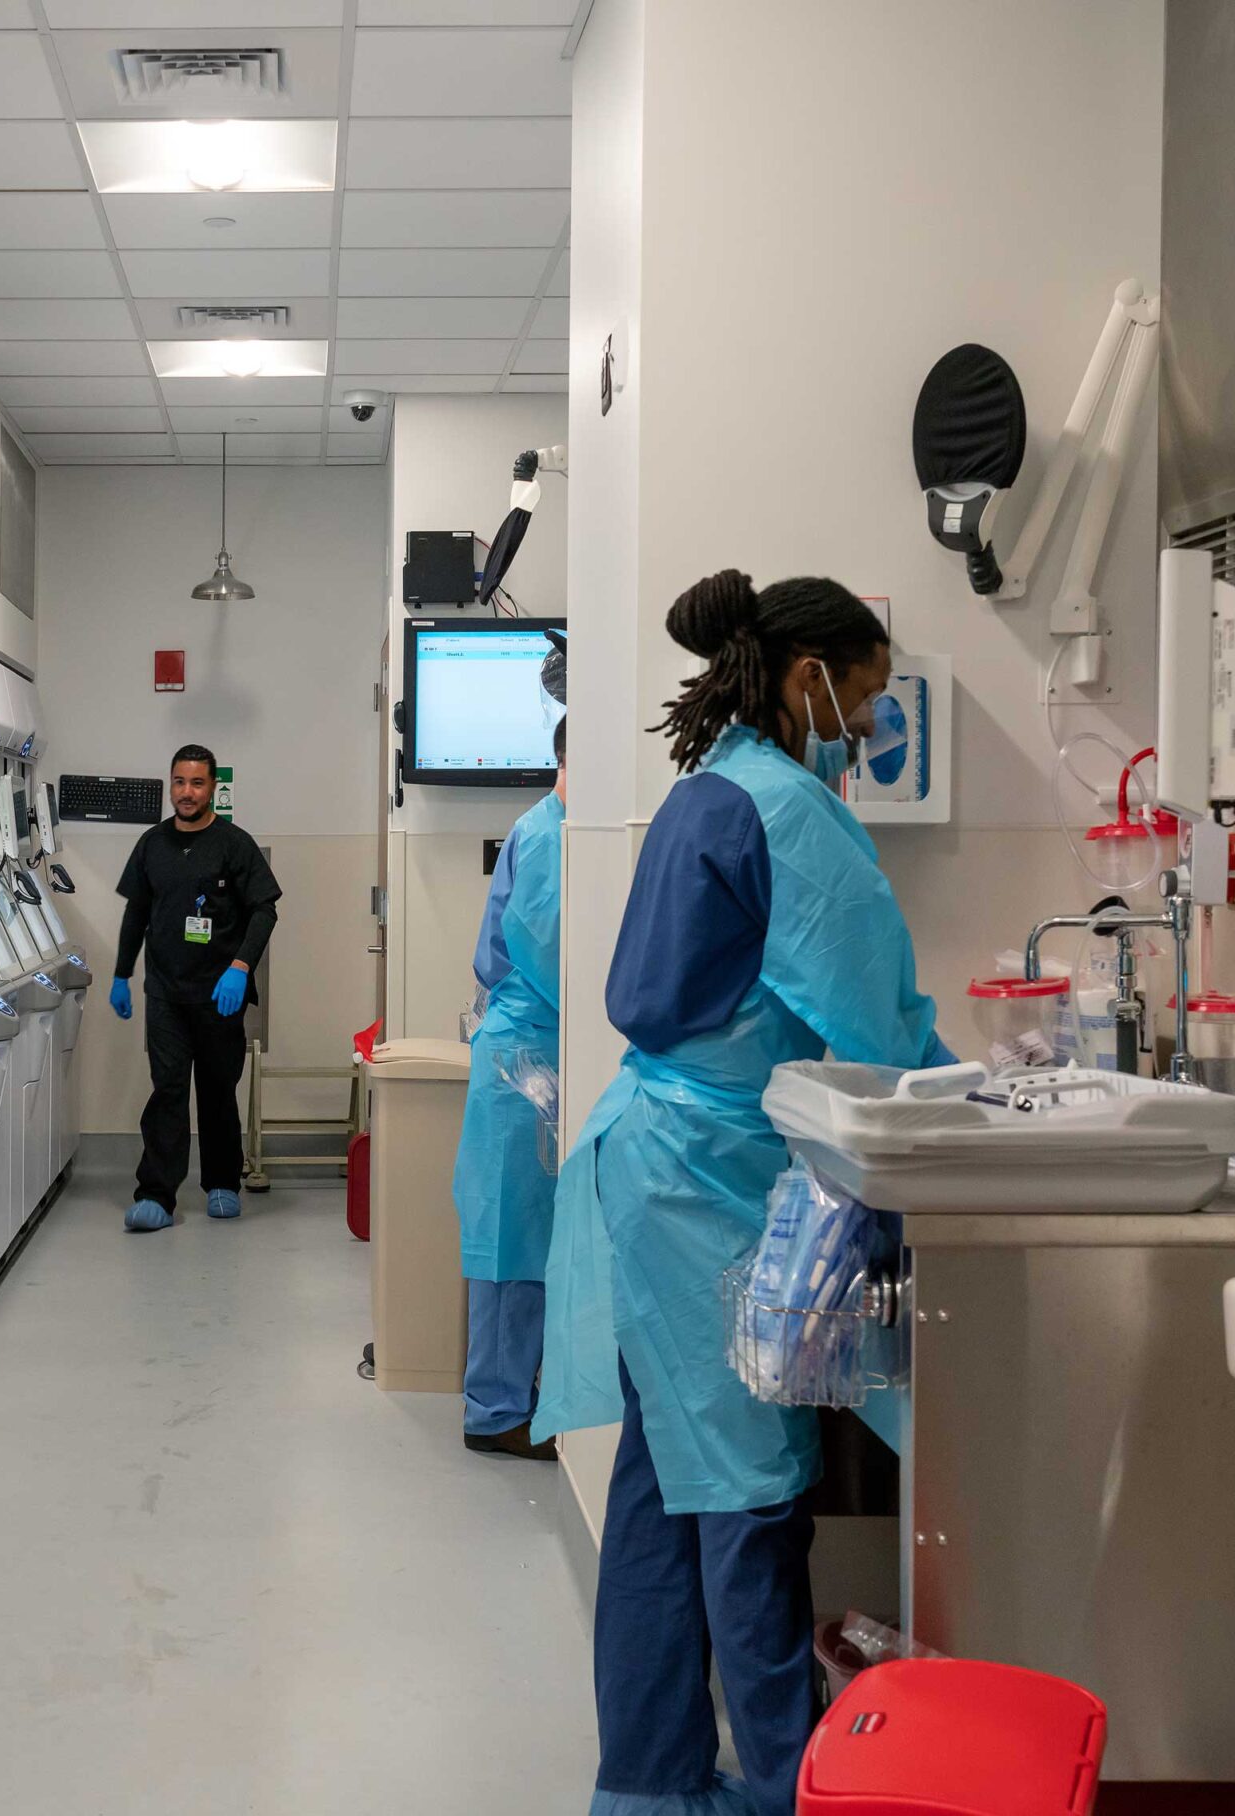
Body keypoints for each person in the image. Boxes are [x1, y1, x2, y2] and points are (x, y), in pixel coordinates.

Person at [534, 572, 953, 1816]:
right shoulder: (788, 809)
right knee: (754, 1498)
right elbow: (876, 1027)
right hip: (708, 1189)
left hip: (661, 1166)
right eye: (865, 698)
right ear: (802, 675)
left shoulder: (706, 784)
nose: (870, 728)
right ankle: (787, 1787)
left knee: (666, 1492)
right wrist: (984, 1098)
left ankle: (653, 1779)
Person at [452, 716, 566, 1460]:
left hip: (531, 1046)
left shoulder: (547, 828)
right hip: (527, 1055)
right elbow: (561, 961)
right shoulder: (553, 839)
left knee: (529, 1237)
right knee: (511, 1243)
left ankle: (513, 1397)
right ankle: (495, 1412)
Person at [110, 744, 281, 1233]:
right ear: (171, 785)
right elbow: (136, 913)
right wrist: (122, 973)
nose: (187, 793)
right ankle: (157, 1195)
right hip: (165, 992)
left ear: (213, 788)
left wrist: (241, 967)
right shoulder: (152, 844)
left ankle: (223, 1183)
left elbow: (265, 910)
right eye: (180, 783)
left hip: (218, 992)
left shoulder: (234, 843)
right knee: (166, 1091)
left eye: (197, 783)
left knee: (216, 1090)